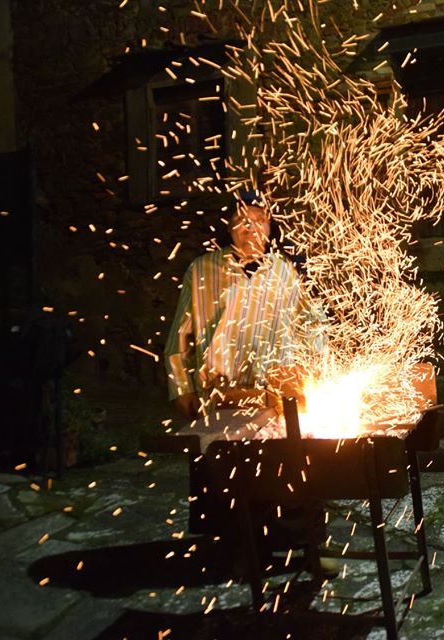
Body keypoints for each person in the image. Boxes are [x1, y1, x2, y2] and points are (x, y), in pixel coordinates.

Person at [163, 191, 334, 576]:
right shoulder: (202, 271)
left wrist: (315, 373)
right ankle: (241, 553)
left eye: (259, 219)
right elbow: (180, 336)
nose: (250, 228)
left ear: (270, 225)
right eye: (242, 220)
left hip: (275, 400)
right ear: (229, 226)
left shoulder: (283, 272)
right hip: (224, 399)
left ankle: (306, 550)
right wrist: (181, 386)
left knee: (293, 472)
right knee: (230, 480)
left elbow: (313, 326)